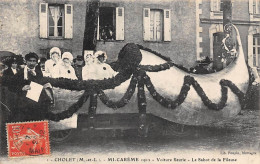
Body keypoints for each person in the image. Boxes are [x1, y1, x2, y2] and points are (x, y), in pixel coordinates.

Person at [7, 52, 53, 121]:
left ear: (36, 62)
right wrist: (21, 88)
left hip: (37, 102)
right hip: (24, 103)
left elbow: (41, 82)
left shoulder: (38, 72)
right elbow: (11, 87)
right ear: (26, 61)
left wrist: (44, 85)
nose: (31, 63)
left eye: (34, 61)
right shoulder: (20, 73)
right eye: (30, 61)